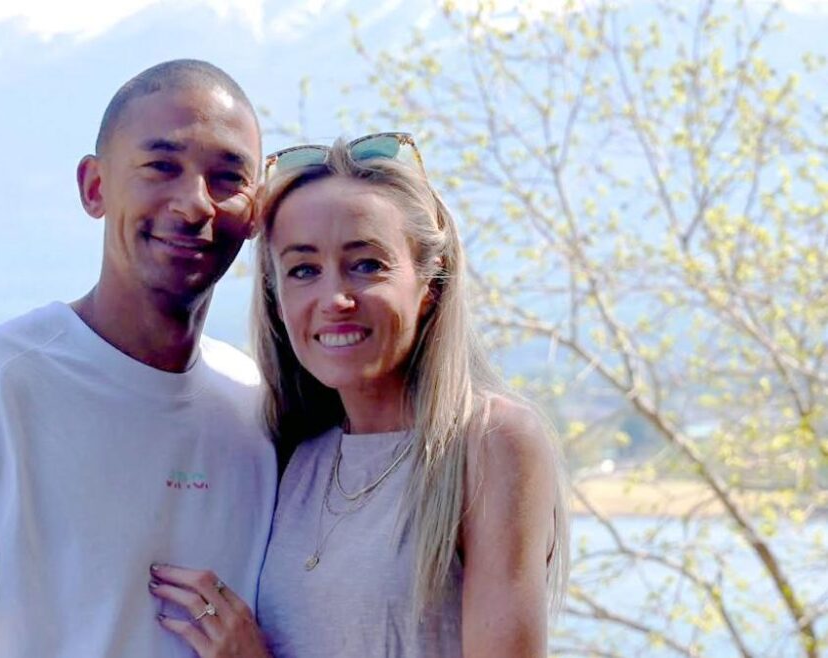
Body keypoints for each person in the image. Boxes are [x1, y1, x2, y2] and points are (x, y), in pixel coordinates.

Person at [0, 59, 278, 658]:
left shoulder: (259, 408)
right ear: (94, 188)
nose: (194, 204)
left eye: (227, 178)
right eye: (161, 167)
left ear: (255, 212)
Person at [149, 134, 569, 657]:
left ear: (428, 284)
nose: (335, 299)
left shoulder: (490, 442)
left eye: (367, 264)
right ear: (278, 300)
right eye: (303, 270)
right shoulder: (290, 456)